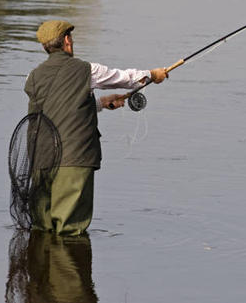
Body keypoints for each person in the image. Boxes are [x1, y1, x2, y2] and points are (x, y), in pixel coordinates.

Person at [24, 20, 166, 235]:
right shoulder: (86, 70)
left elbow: (57, 106)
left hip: (39, 158)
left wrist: (99, 103)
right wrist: (153, 75)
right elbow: (125, 79)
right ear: (67, 41)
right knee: (69, 230)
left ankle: (40, 266)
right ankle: (68, 266)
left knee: (42, 229)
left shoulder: (32, 77)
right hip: (73, 159)